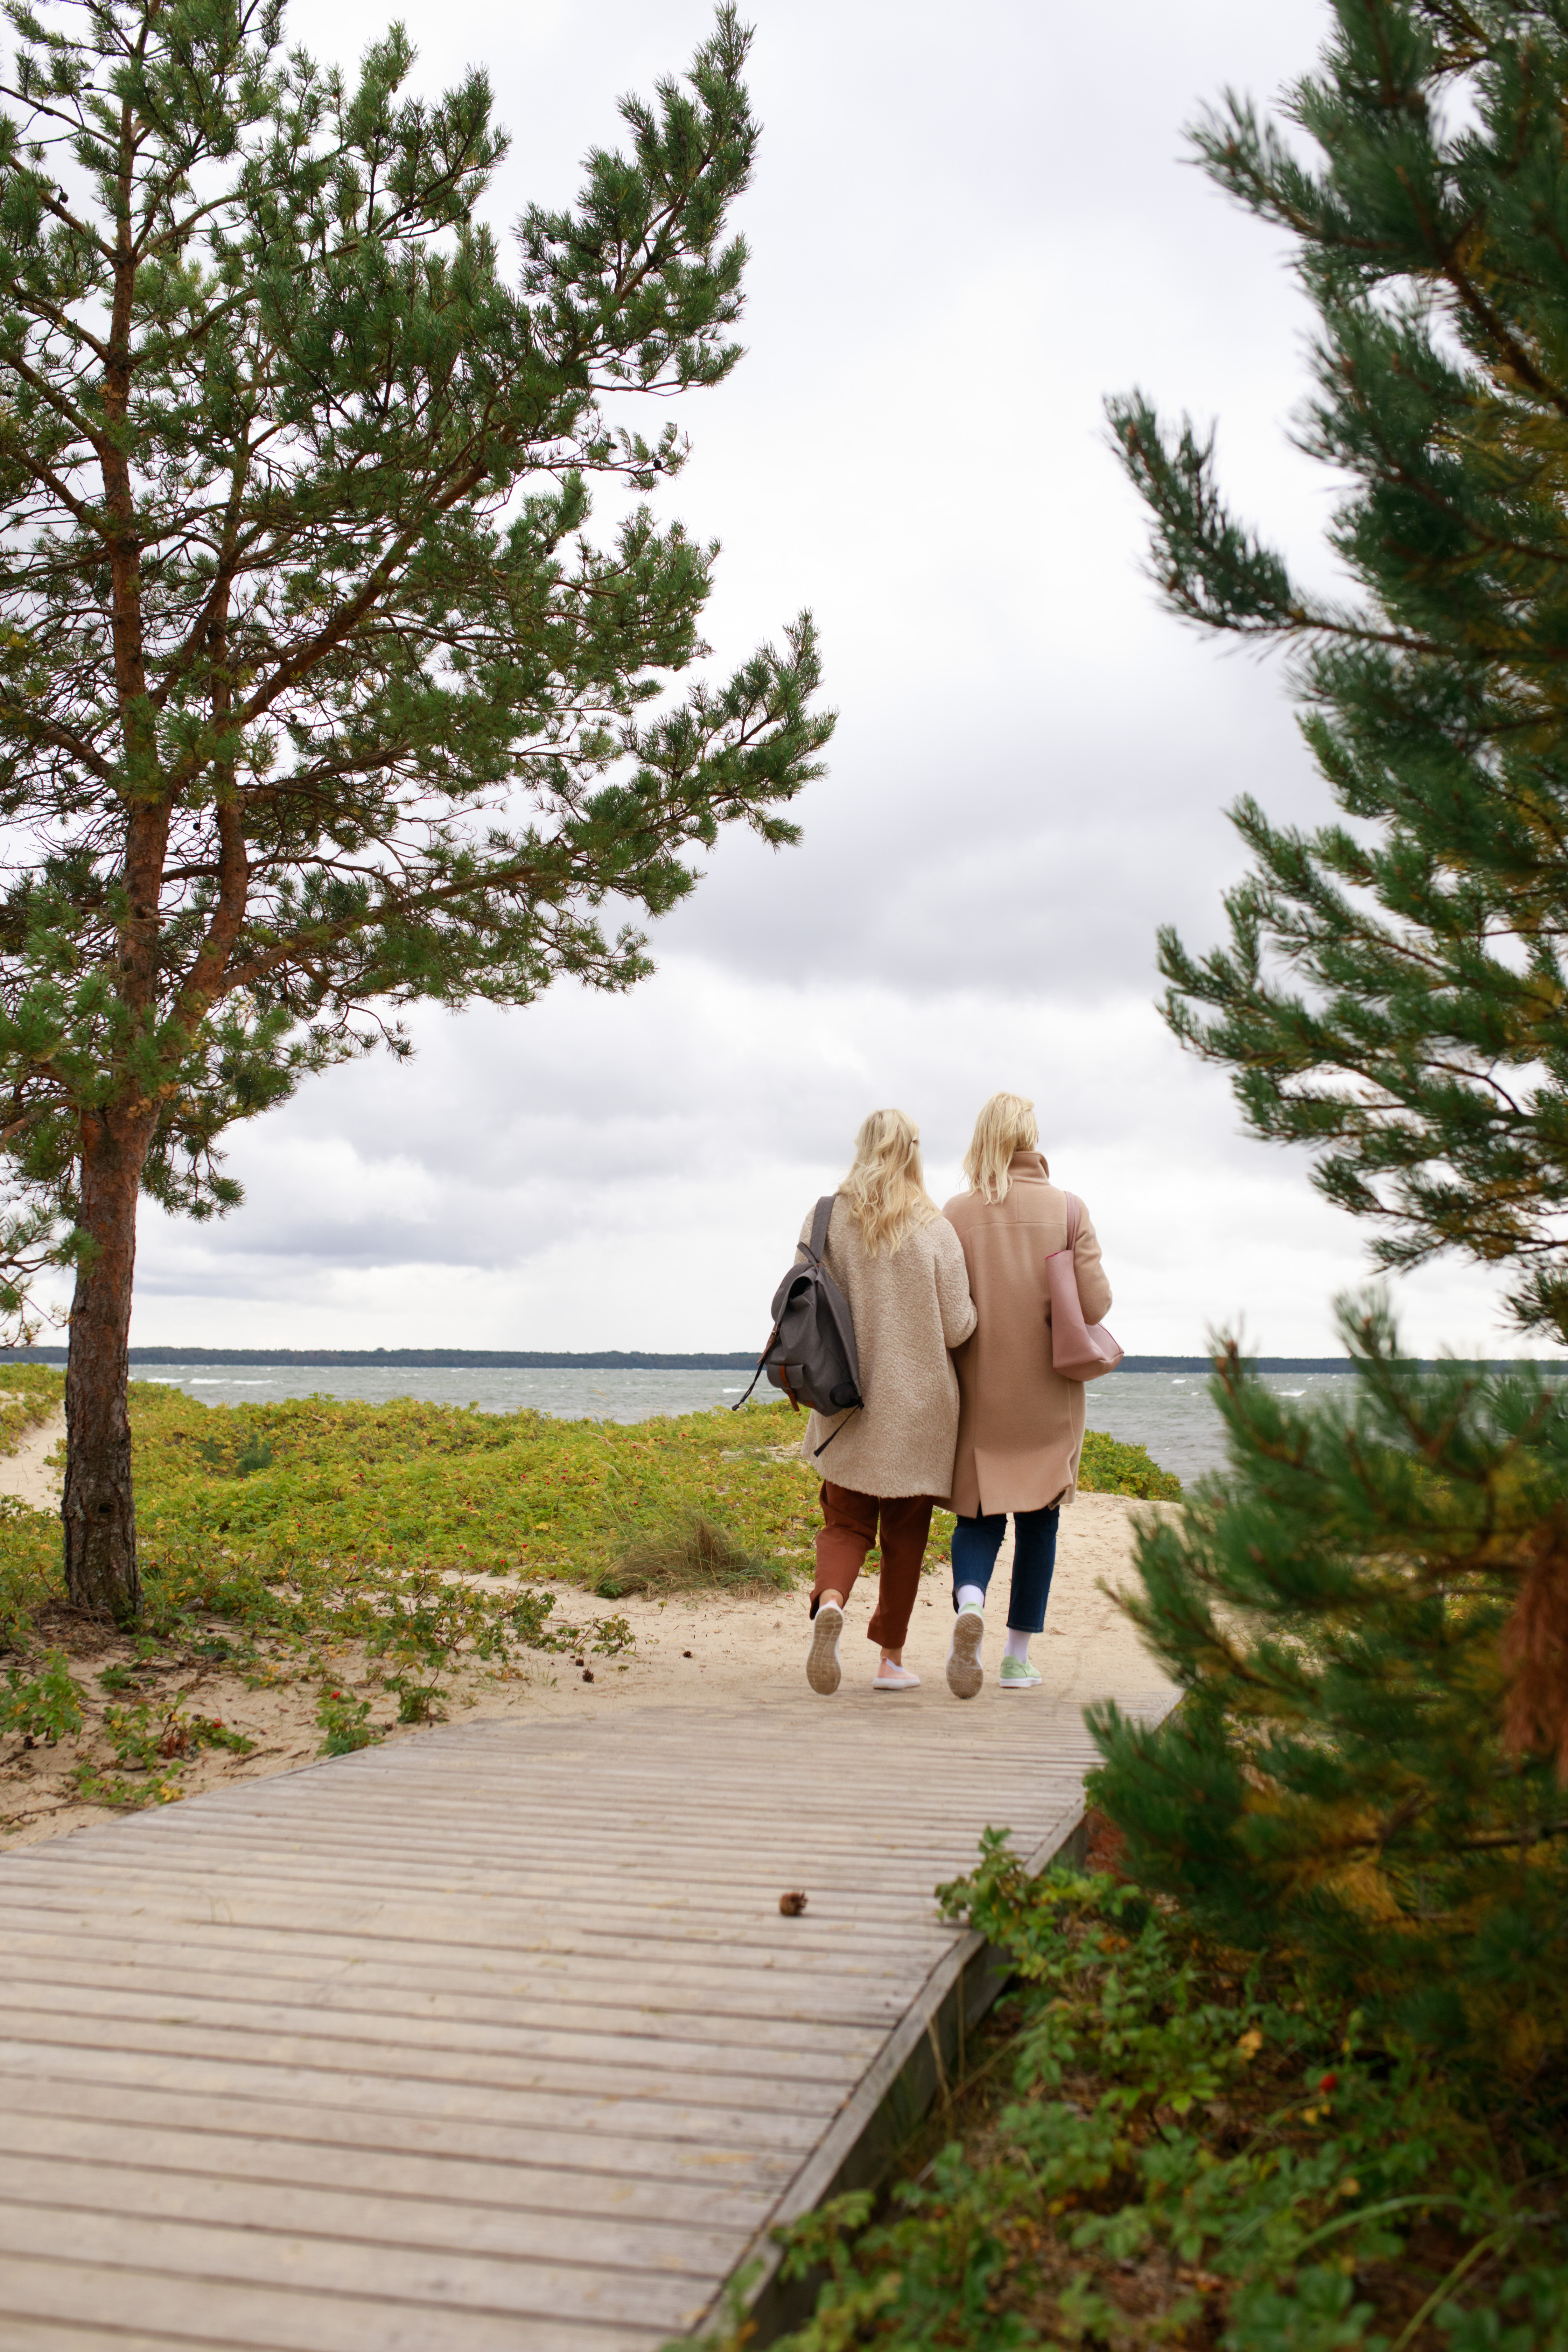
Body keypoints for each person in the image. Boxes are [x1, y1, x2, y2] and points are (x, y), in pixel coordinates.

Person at [800, 1108, 977, 1696]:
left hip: (844, 1397)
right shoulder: (935, 1227)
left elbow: (804, 1303)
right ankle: (890, 1661)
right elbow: (957, 1328)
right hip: (921, 1406)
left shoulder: (826, 1216)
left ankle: (831, 1602)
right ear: (913, 1152)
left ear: (862, 1147)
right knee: (906, 1537)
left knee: (846, 1521)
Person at [940, 1093, 1111, 1696]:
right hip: (1048, 1392)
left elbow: (945, 1307)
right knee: (1039, 1523)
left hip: (979, 1388)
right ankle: (1016, 1658)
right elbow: (1095, 1306)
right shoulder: (1069, 1209)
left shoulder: (955, 1213)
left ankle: (969, 1605)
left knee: (979, 1516)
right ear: (1031, 1138)